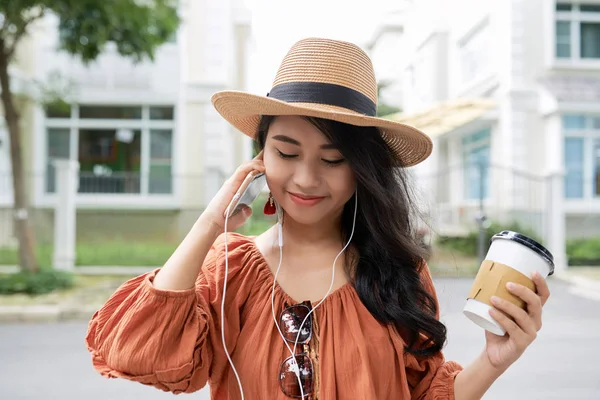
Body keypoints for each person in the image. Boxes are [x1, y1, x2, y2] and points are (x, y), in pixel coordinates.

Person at [85, 38, 551, 400]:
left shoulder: (396, 270)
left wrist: (494, 360)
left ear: (362, 172)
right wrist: (210, 223)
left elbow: (426, 393)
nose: (306, 179)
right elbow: (139, 353)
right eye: (286, 152)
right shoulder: (229, 269)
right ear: (260, 156)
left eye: (333, 159)